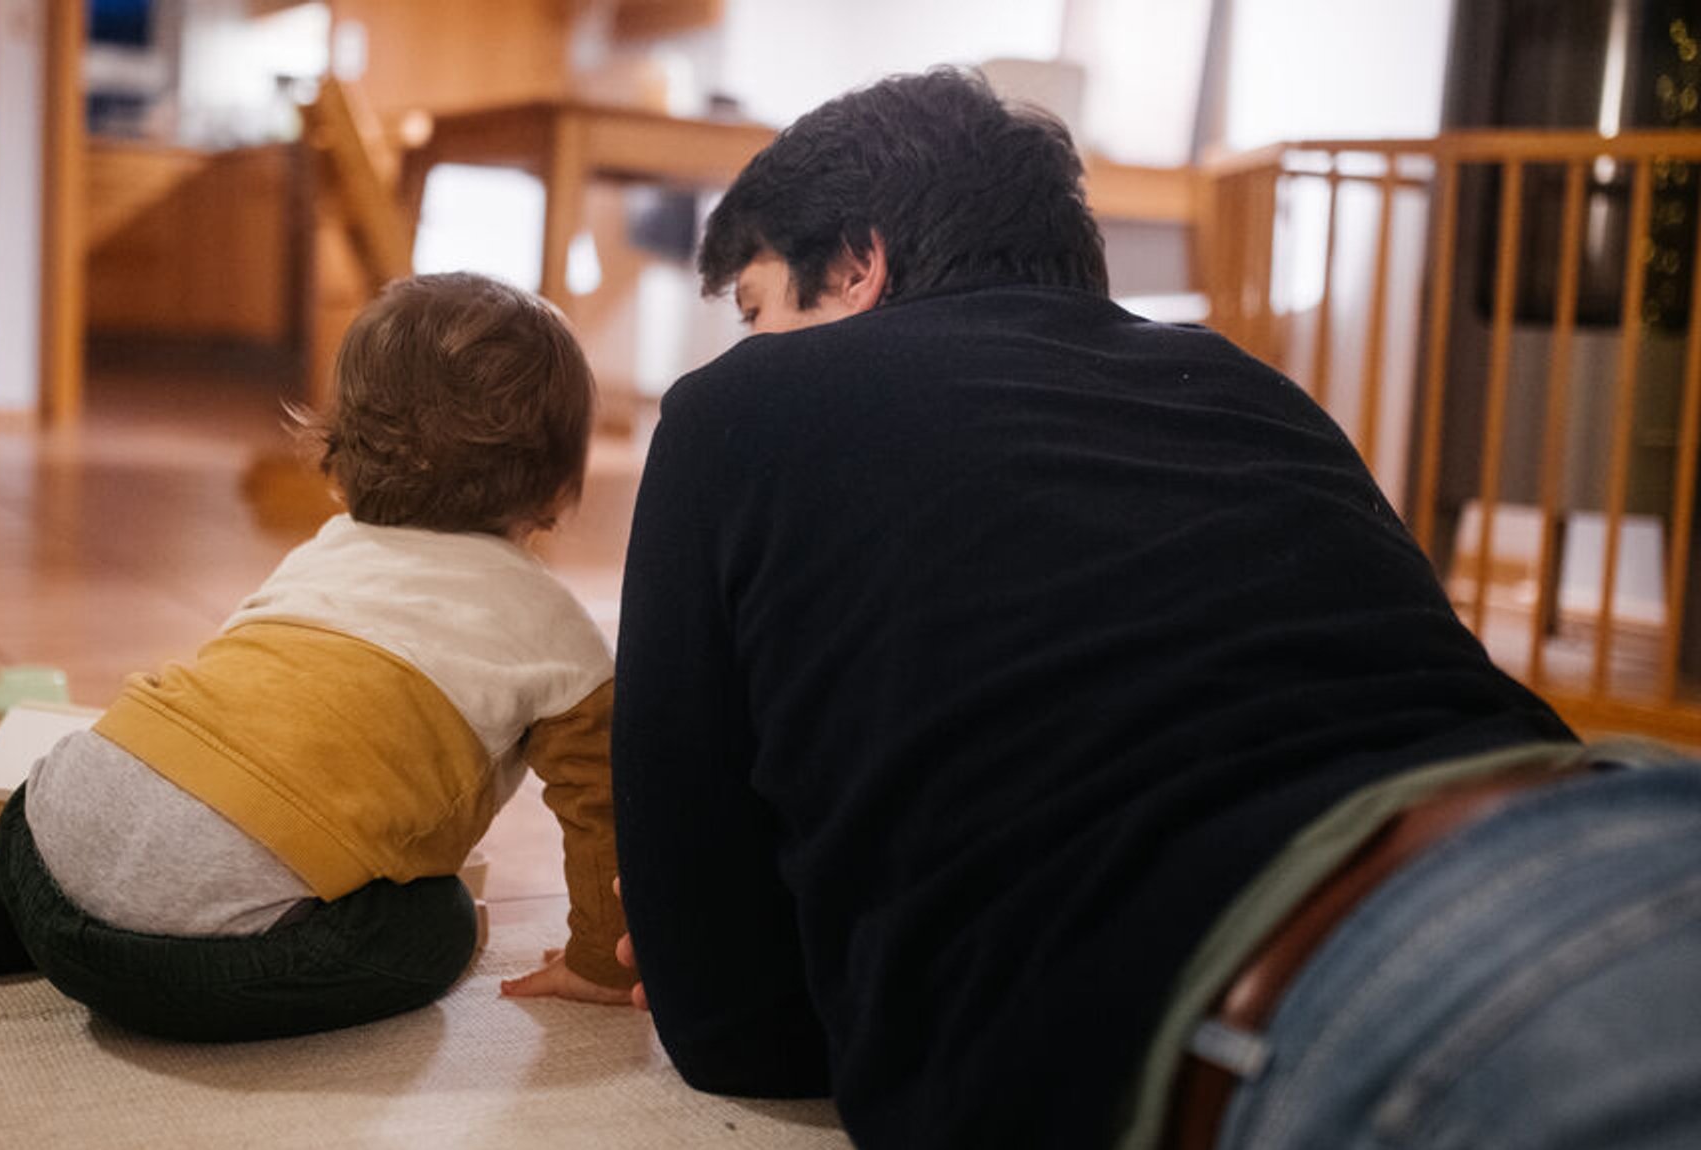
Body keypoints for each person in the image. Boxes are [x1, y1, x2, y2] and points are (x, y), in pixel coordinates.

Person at [610, 68, 1701, 1150]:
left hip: (1365, 990)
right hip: (1628, 811)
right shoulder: (1243, 382)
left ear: (854, 264)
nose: (745, 348)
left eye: (755, 309)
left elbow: (729, 1019)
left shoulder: (735, 411)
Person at [0, 272, 634, 1039]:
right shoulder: (558, 632)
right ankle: (53, 934)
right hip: (199, 974)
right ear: (560, 482)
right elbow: (603, 808)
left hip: (52, 836)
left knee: (92, 848)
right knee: (442, 918)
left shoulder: (325, 552)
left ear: (342, 457)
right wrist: (600, 961)